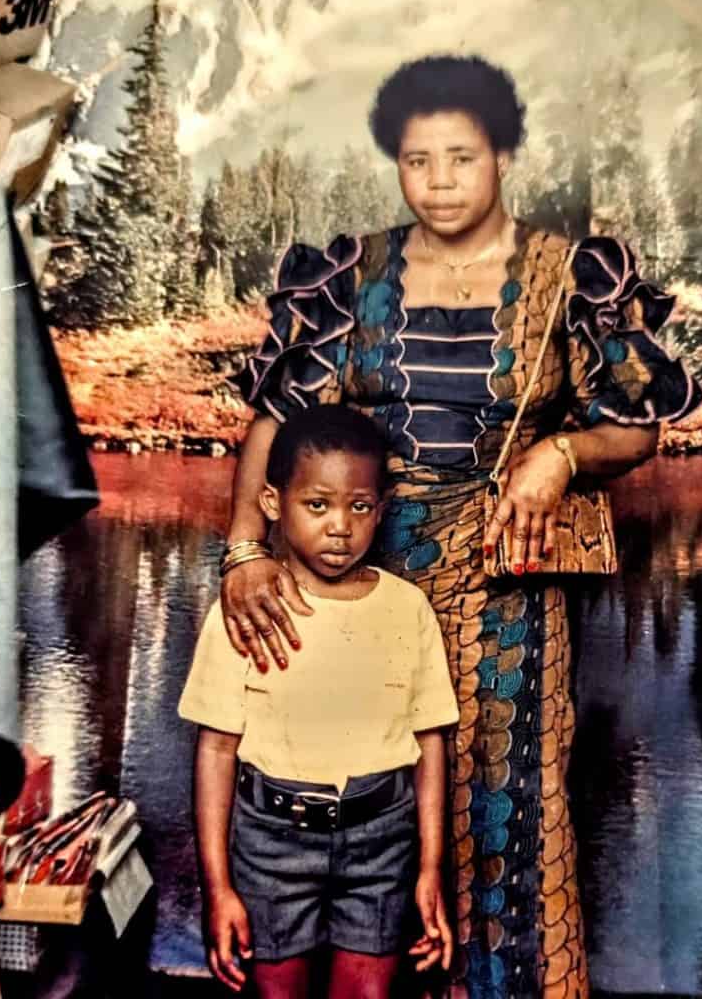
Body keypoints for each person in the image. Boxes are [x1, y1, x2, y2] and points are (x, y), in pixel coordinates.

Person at [221, 54, 702, 998]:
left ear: (505, 156)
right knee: (358, 788)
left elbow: (636, 426)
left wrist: (560, 455)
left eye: (462, 158)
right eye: (417, 161)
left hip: (505, 586)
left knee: (504, 802)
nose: (439, 182)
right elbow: (277, 419)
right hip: (354, 576)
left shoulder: (568, 276)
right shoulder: (351, 274)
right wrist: (244, 551)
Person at [180, 404, 459, 998]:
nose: (339, 527)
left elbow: (430, 745)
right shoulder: (247, 610)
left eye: (359, 507)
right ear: (273, 502)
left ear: (381, 509)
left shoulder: (406, 609)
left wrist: (430, 867)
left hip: (382, 841)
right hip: (271, 844)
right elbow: (216, 752)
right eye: (317, 505)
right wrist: (218, 888)